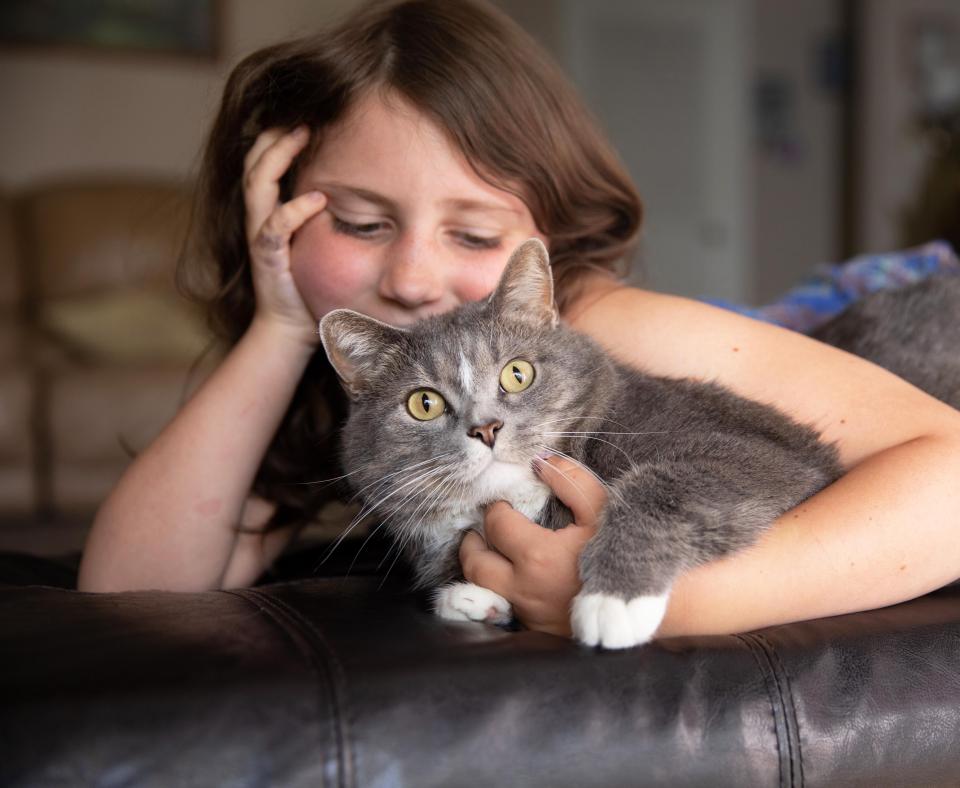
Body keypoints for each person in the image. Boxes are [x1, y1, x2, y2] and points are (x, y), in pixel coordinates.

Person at [78, 0, 960, 642]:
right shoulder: (373, 386)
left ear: (546, 237)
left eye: (472, 232)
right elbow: (133, 590)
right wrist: (279, 326)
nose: (415, 275)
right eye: (358, 221)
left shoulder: (607, 329)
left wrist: (685, 602)